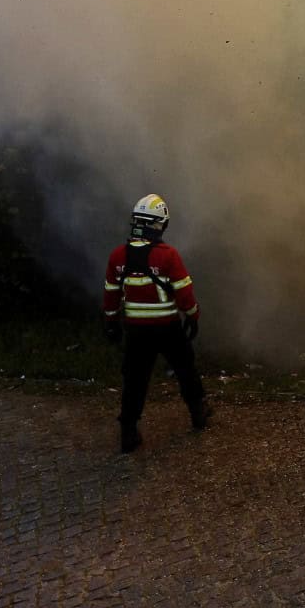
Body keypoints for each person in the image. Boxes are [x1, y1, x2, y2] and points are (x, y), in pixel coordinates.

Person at [102, 194, 210, 453]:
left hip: (136, 332)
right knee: (185, 369)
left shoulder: (118, 256)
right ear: (160, 224)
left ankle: (128, 432)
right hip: (168, 328)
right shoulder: (168, 256)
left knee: (134, 380)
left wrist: (111, 322)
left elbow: (111, 294)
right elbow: (184, 293)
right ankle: (198, 413)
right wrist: (192, 316)